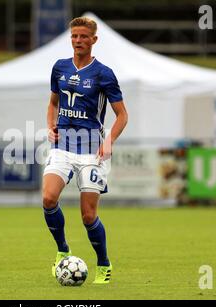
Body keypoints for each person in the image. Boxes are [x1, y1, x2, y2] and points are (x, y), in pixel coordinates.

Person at [42, 16, 128, 284]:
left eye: (83, 37)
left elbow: (122, 115)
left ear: (94, 40)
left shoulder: (103, 73)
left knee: (88, 215)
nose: (78, 41)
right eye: (74, 36)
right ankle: (62, 249)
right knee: (48, 198)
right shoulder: (60, 68)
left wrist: (109, 140)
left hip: (92, 151)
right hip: (63, 146)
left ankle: (103, 264)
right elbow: (53, 103)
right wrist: (50, 125)